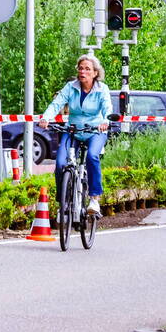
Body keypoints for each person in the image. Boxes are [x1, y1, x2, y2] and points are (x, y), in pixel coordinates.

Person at [37, 54, 111, 215]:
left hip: (95, 130)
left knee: (92, 156)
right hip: (73, 130)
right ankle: (62, 201)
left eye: (87, 69)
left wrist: (105, 121)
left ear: (95, 73)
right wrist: (46, 117)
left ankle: (94, 199)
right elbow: (56, 103)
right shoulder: (71, 87)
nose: (83, 71)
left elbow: (107, 107)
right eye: (81, 68)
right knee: (60, 163)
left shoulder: (102, 89)